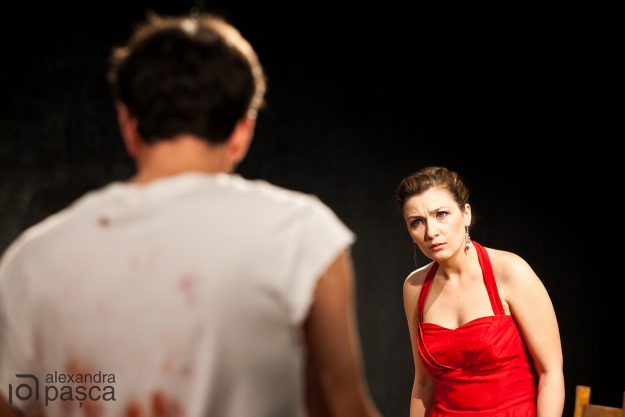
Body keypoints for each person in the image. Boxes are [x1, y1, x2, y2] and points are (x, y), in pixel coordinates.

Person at [0, 13, 383, 417]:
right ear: (242, 131)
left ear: (128, 124)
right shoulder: (301, 236)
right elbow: (343, 406)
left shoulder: (32, 260)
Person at [398, 166, 564, 417]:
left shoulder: (510, 272)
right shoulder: (414, 287)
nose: (431, 232)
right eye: (417, 222)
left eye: (441, 214)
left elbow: (550, 373)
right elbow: (423, 384)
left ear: (466, 214)